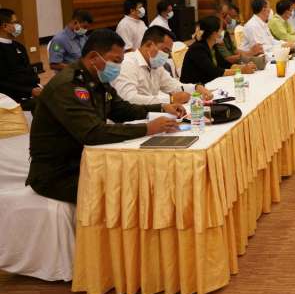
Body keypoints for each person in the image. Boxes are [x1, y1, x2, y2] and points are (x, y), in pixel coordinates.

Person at [26, 29, 185, 204]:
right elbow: (93, 133)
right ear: (94, 57)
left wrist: (162, 107)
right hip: (58, 173)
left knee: (147, 173)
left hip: (88, 160)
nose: (117, 67)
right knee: (131, 189)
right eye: (115, 61)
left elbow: (122, 110)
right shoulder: (68, 85)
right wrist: (147, 128)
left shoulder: (98, 79)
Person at [114, 26, 213, 105]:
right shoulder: (127, 63)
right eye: (165, 50)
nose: (167, 56)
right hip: (132, 120)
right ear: (149, 44)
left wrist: (196, 87)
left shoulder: (156, 66)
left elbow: (174, 86)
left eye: (169, 52)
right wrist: (170, 100)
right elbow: (129, 99)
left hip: (151, 113)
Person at [181, 15, 255, 85]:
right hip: (194, 89)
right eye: (220, 29)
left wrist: (244, 66)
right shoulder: (197, 49)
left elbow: (225, 64)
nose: (222, 32)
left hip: (209, 83)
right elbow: (214, 71)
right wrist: (241, 71)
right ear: (214, 33)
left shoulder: (212, 46)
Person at [0, 8, 40, 109]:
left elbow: (28, 70)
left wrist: (37, 86)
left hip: (30, 90)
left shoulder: (19, 46)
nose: (19, 26)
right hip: (11, 98)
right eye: (15, 22)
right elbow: (3, 82)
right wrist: (30, 91)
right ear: (4, 26)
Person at [216, 2, 264, 66]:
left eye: (233, 17)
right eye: (225, 16)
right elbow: (228, 59)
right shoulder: (217, 34)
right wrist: (251, 54)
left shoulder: (225, 33)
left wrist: (250, 52)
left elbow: (234, 51)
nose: (230, 20)